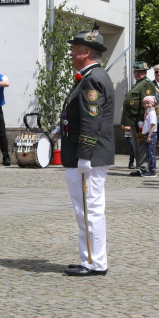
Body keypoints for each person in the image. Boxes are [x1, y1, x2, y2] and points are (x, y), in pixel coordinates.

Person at [59, 26, 113, 277]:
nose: (70, 54)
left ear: (86, 52)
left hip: (88, 156)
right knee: (86, 210)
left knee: (89, 210)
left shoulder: (92, 79)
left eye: (74, 50)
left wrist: (84, 155)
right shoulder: (92, 76)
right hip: (87, 154)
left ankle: (94, 261)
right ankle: (89, 258)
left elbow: (92, 121)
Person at [121, 61, 152, 177]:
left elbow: (147, 103)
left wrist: (143, 120)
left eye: (141, 71)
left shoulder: (146, 84)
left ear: (145, 72)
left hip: (140, 121)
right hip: (134, 121)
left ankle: (144, 167)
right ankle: (141, 167)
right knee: (136, 145)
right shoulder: (139, 84)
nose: (138, 73)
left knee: (141, 145)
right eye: (137, 71)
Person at [141, 95, 158, 177]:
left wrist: (149, 136)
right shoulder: (148, 112)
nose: (146, 105)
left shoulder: (152, 113)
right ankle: (150, 169)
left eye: (148, 103)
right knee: (148, 152)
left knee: (151, 153)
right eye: (145, 103)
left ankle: (152, 171)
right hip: (148, 134)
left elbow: (153, 125)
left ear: (152, 103)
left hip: (151, 134)